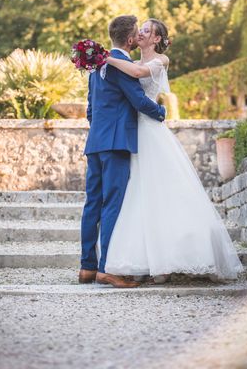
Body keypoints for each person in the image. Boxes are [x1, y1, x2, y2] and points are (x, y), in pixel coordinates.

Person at [103, 18, 243, 282]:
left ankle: (180, 256)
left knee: (166, 191)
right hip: (133, 132)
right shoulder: (130, 61)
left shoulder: (160, 60)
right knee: (140, 193)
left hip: (151, 131)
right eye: (140, 29)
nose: (141, 33)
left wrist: (104, 58)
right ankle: (153, 260)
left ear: (156, 39)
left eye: (147, 30)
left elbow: (138, 75)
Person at [79, 15, 166, 289]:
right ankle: (107, 269)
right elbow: (139, 100)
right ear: (130, 40)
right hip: (117, 144)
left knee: (92, 203)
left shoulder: (95, 68)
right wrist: (161, 112)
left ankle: (86, 267)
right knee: (113, 204)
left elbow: (90, 110)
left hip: (95, 143)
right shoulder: (124, 66)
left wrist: (100, 132)